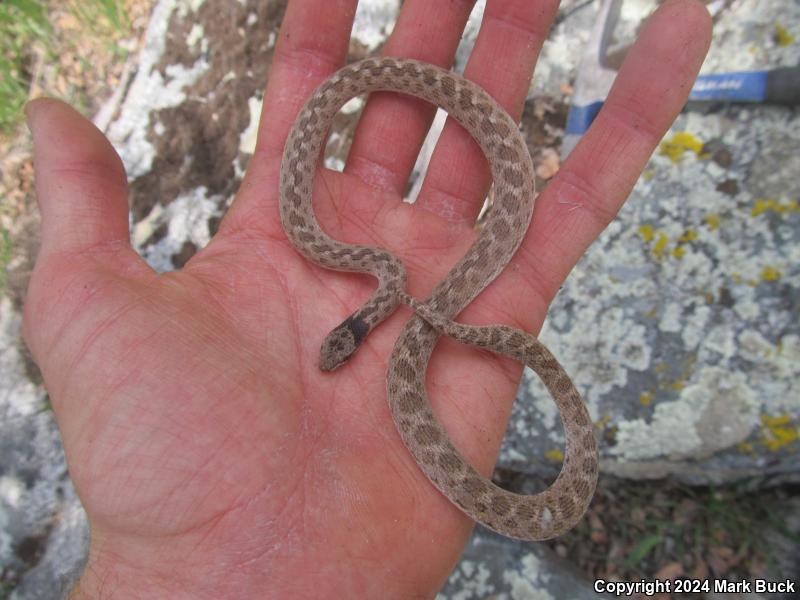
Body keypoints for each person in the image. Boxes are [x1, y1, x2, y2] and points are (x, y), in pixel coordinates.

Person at [23, 0, 711, 596]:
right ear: (354, 334)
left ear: (353, 333)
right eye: (341, 349)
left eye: (339, 350)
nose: (337, 356)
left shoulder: (383, 284)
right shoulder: (348, 260)